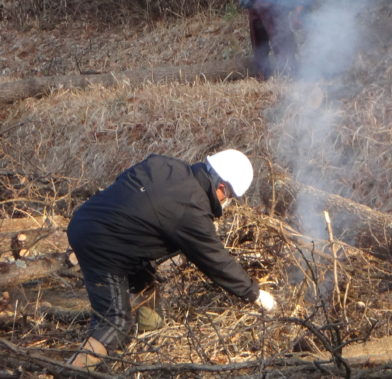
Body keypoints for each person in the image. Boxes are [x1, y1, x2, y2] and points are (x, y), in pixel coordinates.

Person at [65, 149, 277, 368]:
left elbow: (128, 189)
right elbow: (215, 260)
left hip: (87, 219)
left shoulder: (164, 164)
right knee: (114, 322)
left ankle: (148, 344)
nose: (229, 202)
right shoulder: (191, 210)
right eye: (231, 197)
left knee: (144, 279)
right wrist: (254, 293)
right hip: (100, 244)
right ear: (221, 188)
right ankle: (69, 371)